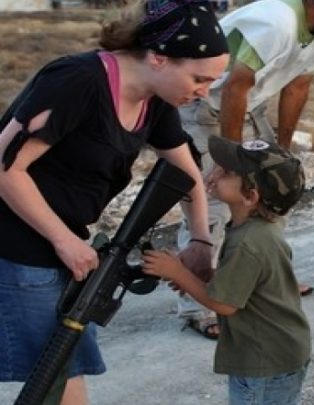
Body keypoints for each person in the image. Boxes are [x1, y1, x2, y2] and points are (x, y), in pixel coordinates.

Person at [0, 1, 229, 403]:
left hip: (62, 243)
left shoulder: (154, 98)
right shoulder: (78, 81)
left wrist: (199, 241)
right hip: (16, 244)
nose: (203, 92)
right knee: (54, 373)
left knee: (62, 369)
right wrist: (63, 240)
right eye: (199, 79)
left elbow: (186, 172)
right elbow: (5, 167)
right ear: (159, 57)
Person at [175, 0, 314, 338]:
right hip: (206, 106)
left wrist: (283, 152)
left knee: (275, 186)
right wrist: (233, 162)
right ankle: (199, 305)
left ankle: (262, 279)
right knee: (216, 198)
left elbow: (297, 87)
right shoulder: (278, 22)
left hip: (248, 105)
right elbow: (233, 87)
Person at [142, 135, 310, 405]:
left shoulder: (248, 242)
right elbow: (250, 285)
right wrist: (206, 279)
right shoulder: (256, 230)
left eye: (228, 172)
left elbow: (224, 304)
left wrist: (178, 272)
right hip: (278, 352)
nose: (216, 172)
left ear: (250, 196)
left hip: (263, 362)